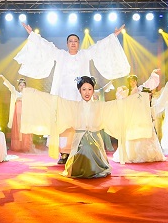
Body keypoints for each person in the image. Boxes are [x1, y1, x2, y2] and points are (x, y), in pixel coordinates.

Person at [21, 75, 155, 177]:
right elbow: (54, 102)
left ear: (93, 90)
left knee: (89, 148)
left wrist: (138, 98)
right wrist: (32, 93)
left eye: (90, 89)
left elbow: (117, 107)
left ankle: (96, 166)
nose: (87, 92)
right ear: (79, 90)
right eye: (84, 89)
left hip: (95, 139)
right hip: (79, 140)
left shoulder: (99, 106)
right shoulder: (73, 106)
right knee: (84, 148)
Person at [14, 24, 130, 101]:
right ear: (67, 44)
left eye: (75, 41)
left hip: (80, 92)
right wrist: (33, 35)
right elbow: (46, 46)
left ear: (78, 43)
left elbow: (99, 46)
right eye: (70, 41)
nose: (73, 43)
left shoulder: (84, 54)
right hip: (63, 91)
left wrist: (113, 35)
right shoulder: (61, 54)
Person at [112, 70, 165, 164]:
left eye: (134, 81)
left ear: (136, 81)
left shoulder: (141, 89)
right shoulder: (127, 92)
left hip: (141, 115)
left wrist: (153, 74)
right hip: (132, 116)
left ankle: (146, 154)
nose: (132, 83)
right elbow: (120, 99)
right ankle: (132, 154)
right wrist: (120, 91)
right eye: (130, 81)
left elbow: (150, 83)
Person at [0, 75, 33, 152]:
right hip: (17, 115)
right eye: (20, 85)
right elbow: (10, 86)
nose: (22, 87)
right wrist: (3, 77)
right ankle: (18, 146)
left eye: (23, 85)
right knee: (18, 129)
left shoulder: (28, 95)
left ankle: (25, 146)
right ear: (18, 86)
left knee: (25, 129)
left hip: (25, 115)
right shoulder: (16, 93)